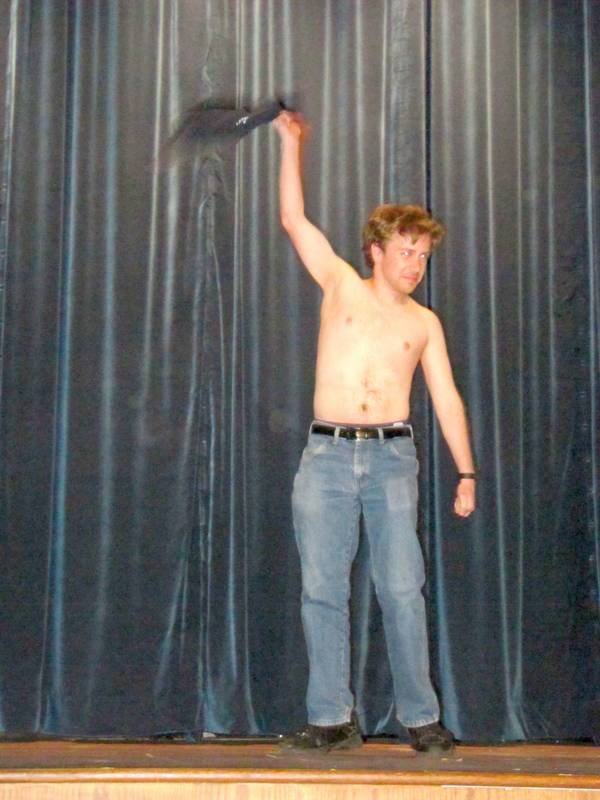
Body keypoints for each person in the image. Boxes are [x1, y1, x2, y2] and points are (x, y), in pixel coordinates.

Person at [273, 111, 476, 754]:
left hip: (391, 459)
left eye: (423, 255)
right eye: (406, 252)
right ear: (376, 250)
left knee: (402, 589)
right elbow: (294, 220)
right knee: (321, 591)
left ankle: (421, 718)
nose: (416, 264)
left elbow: (446, 398)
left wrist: (467, 472)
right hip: (326, 455)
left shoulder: (424, 323)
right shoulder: (340, 285)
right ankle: (330, 719)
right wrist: (290, 144)